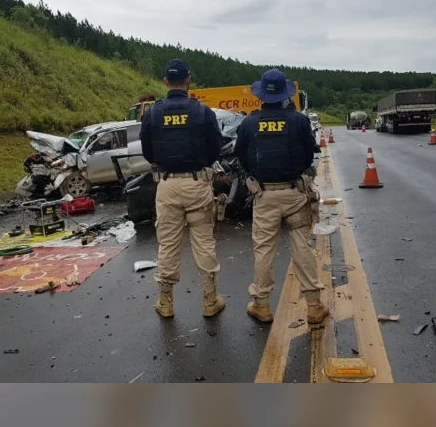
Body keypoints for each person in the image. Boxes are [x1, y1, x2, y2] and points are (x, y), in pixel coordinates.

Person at [235, 69, 328, 325]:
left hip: (264, 195)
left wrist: (254, 176)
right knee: (302, 247)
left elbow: (240, 155)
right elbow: (310, 154)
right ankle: (314, 305)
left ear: (262, 94)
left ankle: (262, 305)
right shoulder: (298, 120)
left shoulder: (250, 123)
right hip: (295, 193)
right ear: (286, 94)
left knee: (264, 249)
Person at [139, 59, 225, 318]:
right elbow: (216, 148)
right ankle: (210, 300)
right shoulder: (202, 112)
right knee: (204, 241)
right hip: (198, 183)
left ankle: (165, 302)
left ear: (165, 82)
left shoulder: (153, 113)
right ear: (188, 80)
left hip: (166, 185)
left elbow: (147, 150)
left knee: (167, 244)